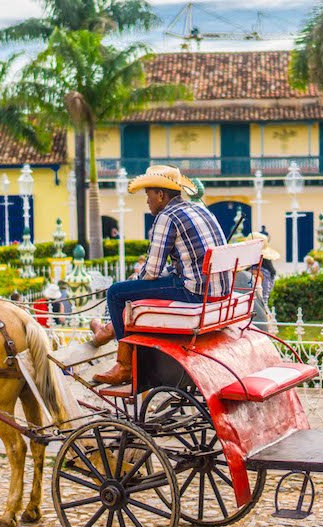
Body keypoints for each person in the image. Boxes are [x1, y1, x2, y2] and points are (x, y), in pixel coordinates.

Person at [90, 165, 227, 385]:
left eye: (149, 194)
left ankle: (125, 365)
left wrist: (134, 283)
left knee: (116, 292)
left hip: (195, 293)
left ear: (161, 195)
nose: (147, 200)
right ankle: (107, 331)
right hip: (218, 291)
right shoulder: (200, 209)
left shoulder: (167, 217)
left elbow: (151, 272)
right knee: (136, 289)